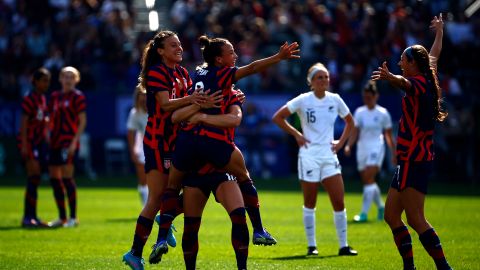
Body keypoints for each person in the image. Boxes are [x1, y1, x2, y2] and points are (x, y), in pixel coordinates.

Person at [149, 35, 300, 263]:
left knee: (175, 191)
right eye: (231, 53)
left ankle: (162, 235)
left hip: (187, 142)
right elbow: (251, 72)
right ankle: (259, 229)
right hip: (213, 144)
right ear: (219, 60)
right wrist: (278, 58)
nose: (236, 57)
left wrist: (196, 112)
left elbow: (176, 116)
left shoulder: (197, 75)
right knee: (243, 178)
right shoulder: (226, 82)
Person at [122, 30, 219, 270]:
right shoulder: (156, 72)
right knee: (156, 197)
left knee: (196, 187)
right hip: (158, 140)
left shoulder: (184, 73)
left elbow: (189, 104)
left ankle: (166, 219)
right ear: (161, 51)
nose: (179, 48)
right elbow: (165, 105)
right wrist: (194, 99)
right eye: (173, 45)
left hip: (179, 139)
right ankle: (134, 253)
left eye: (179, 44)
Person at [371, 14, 452, 270]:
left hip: (414, 159)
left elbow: (404, 82)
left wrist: (389, 77)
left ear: (412, 63)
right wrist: (439, 33)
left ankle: (443, 267)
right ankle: (410, 267)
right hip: (412, 159)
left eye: (402, 60)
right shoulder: (428, 77)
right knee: (391, 215)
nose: (399, 62)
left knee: (417, 219)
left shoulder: (417, 83)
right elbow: (434, 56)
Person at [272, 62, 357, 256]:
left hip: (329, 155)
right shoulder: (303, 99)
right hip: (308, 156)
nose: (324, 80)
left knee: (339, 201)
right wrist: (297, 134)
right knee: (310, 201)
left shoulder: (335, 99)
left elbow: (350, 122)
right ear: (311, 81)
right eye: (320, 77)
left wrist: (341, 143)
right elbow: (278, 117)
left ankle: (343, 246)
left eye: (326, 77)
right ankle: (312, 246)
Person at [173, 89, 249, 270]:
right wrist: (197, 104)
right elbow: (175, 118)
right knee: (191, 226)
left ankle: (243, 268)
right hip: (196, 170)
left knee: (239, 216)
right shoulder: (194, 93)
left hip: (221, 169)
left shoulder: (232, 94)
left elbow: (235, 119)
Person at [344, 80, 395, 222]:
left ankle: (363, 214)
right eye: (365, 97)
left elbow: (388, 135)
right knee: (369, 181)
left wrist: (394, 153)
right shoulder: (360, 112)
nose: (367, 99)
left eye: (369, 97)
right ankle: (380, 207)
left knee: (368, 178)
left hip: (376, 148)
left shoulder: (383, 113)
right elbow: (355, 131)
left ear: (376, 96)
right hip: (362, 149)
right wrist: (349, 145)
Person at [47, 66, 87, 228]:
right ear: (60, 79)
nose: (68, 79)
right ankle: (62, 217)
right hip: (54, 142)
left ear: (76, 79)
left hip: (68, 141)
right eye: (65, 76)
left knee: (67, 177)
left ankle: (72, 217)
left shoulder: (78, 97)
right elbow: (50, 118)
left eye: (71, 77)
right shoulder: (55, 97)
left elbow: (82, 121)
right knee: (54, 178)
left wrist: (74, 142)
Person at [18, 67, 51, 228]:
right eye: (44, 80)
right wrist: (24, 144)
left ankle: (32, 216)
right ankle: (27, 216)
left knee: (35, 178)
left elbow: (42, 119)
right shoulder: (29, 99)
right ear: (35, 81)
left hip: (38, 142)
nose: (46, 84)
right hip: (30, 142)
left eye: (48, 81)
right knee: (34, 176)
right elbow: (24, 122)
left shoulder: (42, 99)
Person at [126, 86, 148, 206]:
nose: (144, 97)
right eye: (142, 94)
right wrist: (133, 151)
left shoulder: (159, 108)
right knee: (143, 179)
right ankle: (146, 207)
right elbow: (130, 132)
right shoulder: (135, 113)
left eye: (146, 94)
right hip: (143, 147)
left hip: (160, 146)